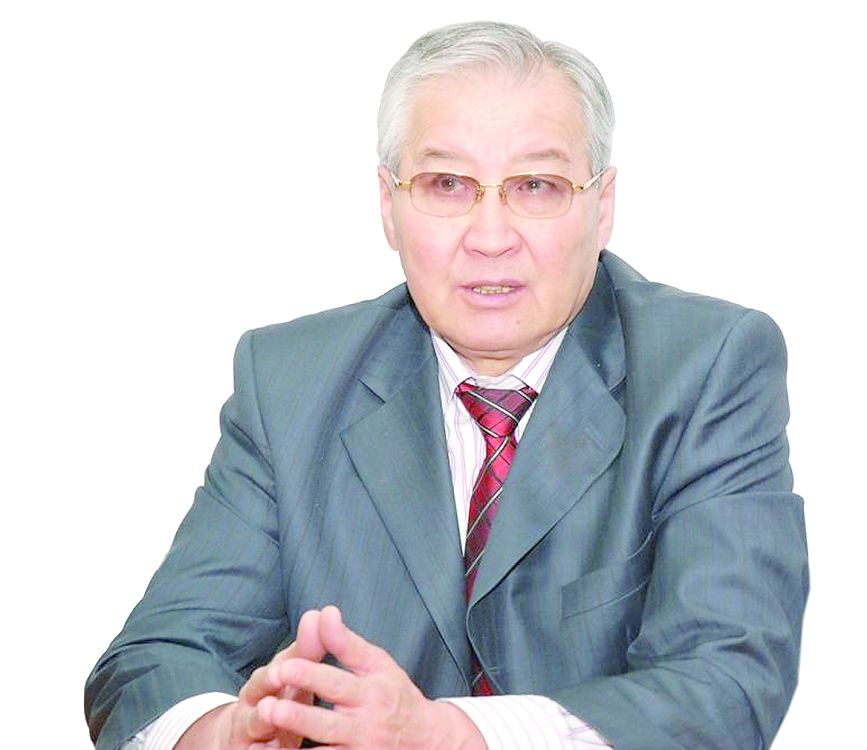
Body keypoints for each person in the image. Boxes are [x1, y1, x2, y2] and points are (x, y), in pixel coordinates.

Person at [86, 20, 809, 750]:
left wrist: (451, 734)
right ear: (388, 205)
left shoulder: (706, 367)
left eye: (536, 186)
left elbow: (728, 683)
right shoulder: (287, 383)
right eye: (447, 185)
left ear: (603, 206)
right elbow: (151, 665)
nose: (490, 236)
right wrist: (229, 733)